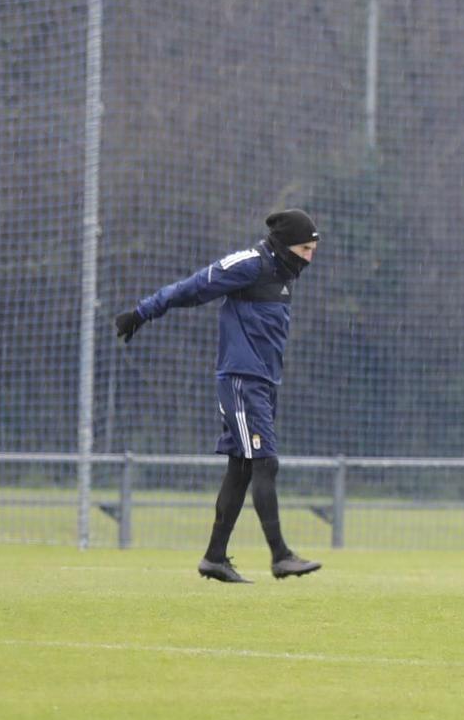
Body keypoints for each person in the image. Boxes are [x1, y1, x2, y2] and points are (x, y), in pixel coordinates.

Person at [112, 208, 325, 583]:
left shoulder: (282, 273)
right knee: (265, 462)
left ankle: (214, 558)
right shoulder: (248, 265)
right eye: (304, 248)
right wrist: (142, 312)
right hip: (242, 381)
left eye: (312, 249)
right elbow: (193, 287)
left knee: (241, 468)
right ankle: (280, 556)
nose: (309, 256)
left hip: (262, 383)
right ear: (284, 244)